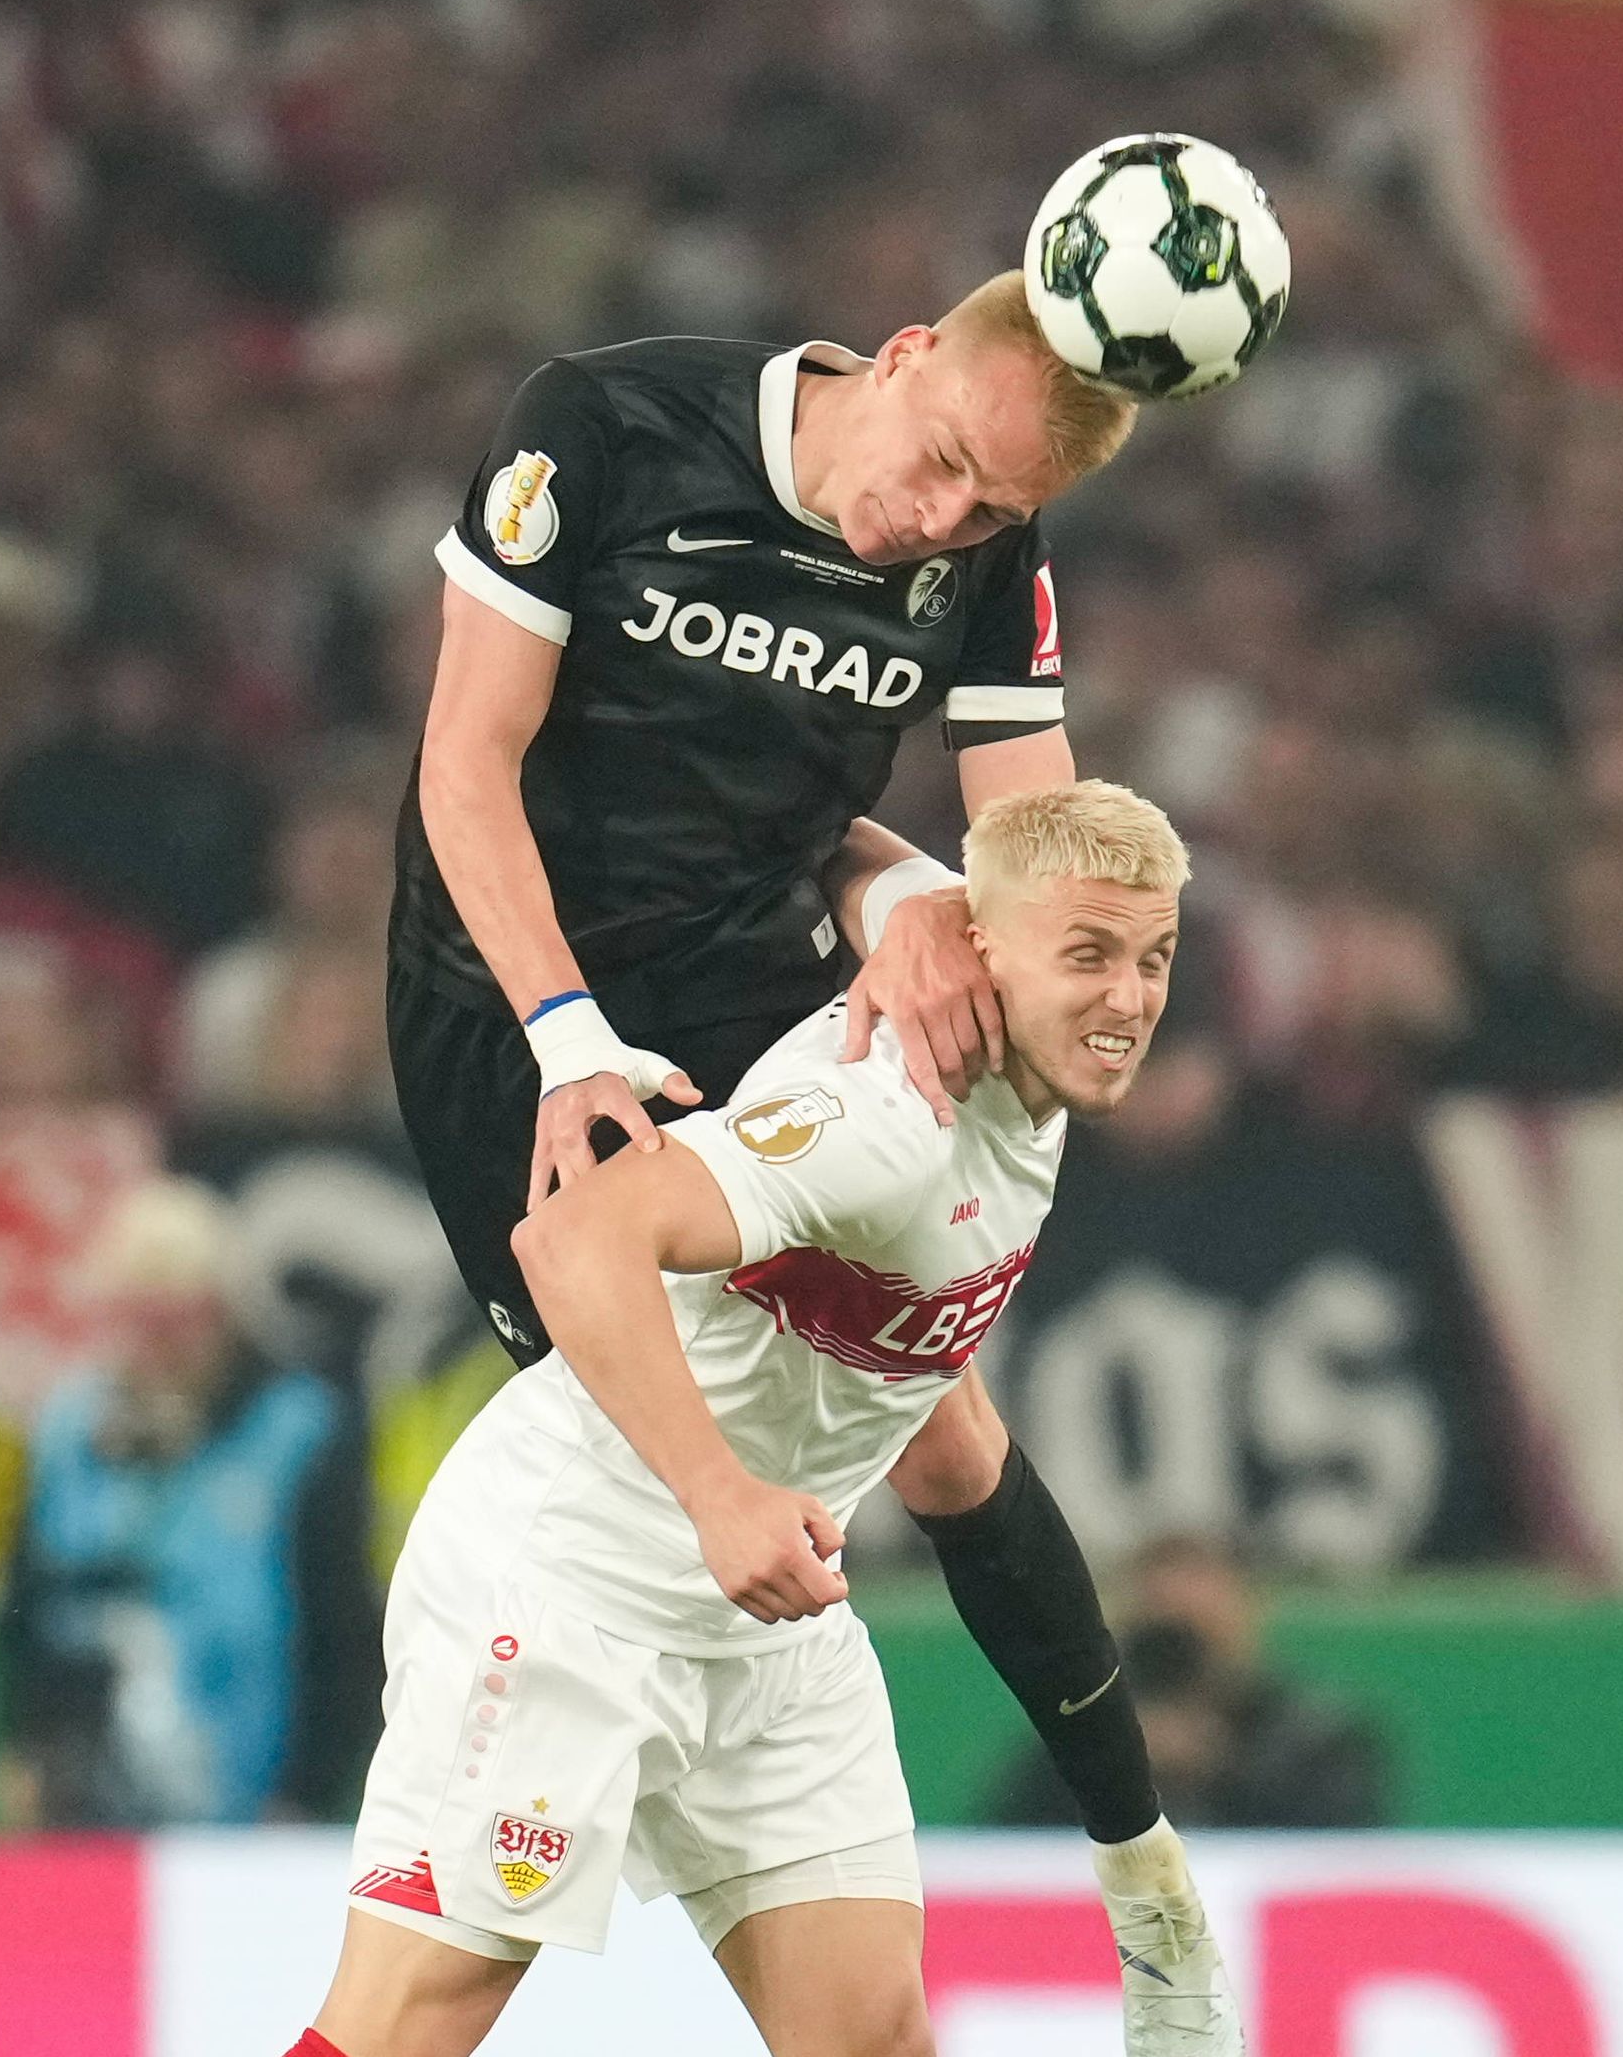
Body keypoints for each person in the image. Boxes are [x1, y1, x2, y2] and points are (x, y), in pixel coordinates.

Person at [0, 783, 1239, 2057]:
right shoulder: (889, 1107)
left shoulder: (1016, 1128)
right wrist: (723, 1493)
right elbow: (584, 1233)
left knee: (871, 2056)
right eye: (1087, 956)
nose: (1128, 996)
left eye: (1152, 960)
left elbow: (961, 1464)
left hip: (760, 1595)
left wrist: (1127, 1837)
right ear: (982, 956)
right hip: (580, 1561)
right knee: (403, 2038)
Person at [389, 274, 1183, 1937]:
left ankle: (1139, 1856)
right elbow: (465, 764)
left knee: (941, 1416)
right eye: (944, 464)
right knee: (628, 1413)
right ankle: (475, 1842)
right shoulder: (604, 427)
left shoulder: (984, 545)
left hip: (754, 973)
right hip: (510, 996)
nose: (944, 520)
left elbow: (1027, 877)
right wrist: (568, 1038)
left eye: (995, 506)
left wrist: (928, 910)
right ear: (899, 360)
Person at [0, 1177, 377, 1828]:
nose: (156, 1349)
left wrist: (306, 1797)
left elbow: (346, 1638)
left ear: (222, 1316)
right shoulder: (68, 1432)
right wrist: (16, 1745)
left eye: (178, 1322)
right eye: (137, 1322)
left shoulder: (294, 1436)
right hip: (84, 1814)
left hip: (250, 1820)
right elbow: (22, 1611)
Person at [990, 1533, 1390, 1829]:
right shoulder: (1074, 1743)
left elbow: (1336, 1854)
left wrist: (1221, 1768)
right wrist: (1118, 1766)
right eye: (1161, 1636)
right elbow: (1023, 1853)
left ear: (1244, 1617)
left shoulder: (1314, 1743)